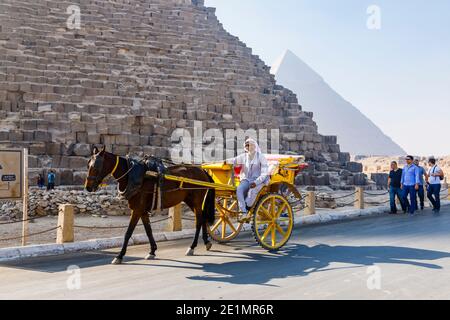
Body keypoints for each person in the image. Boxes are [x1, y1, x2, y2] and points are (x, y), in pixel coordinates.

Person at [228, 138, 269, 217]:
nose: (248, 147)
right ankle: (243, 212)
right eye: (246, 145)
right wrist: (224, 161)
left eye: (249, 145)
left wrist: (256, 182)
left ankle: (247, 207)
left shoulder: (261, 157)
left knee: (251, 192)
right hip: (246, 180)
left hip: (259, 181)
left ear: (254, 146)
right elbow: (233, 160)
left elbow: (264, 174)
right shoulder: (244, 156)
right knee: (239, 189)